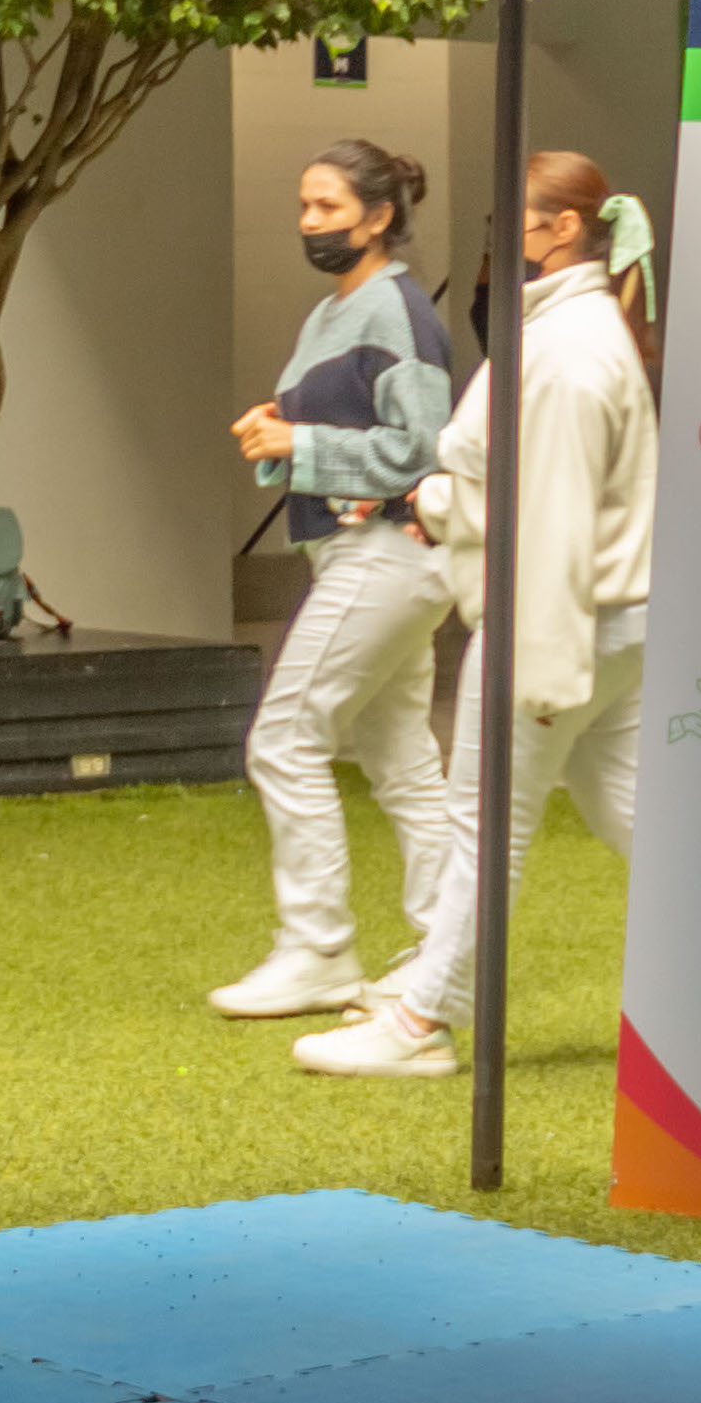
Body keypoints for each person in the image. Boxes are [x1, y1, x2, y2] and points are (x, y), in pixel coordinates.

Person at [298, 153, 663, 1075]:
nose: (503, 238)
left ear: (564, 228)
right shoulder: (572, 332)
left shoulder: (566, 349)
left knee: (487, 823)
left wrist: (446, 519)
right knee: (632, 814)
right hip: (603, 618)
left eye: (515, 221)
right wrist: (444, 509)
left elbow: (550, 508)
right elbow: (522, 485)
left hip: (559, 615)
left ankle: (423, 1022)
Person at [215, 140, 461, 1021]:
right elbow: (341, 425)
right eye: (305, 206)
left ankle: (318, 950)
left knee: (283, 742)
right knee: (400, 759)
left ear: (378, 216)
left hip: (389, 552)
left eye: (326, 207)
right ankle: (442, 954)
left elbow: (426, 451)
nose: (308, 223)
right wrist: (279, 427)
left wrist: (299, 445)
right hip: (359, 556)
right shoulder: (335, 312)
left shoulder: (399, 311)